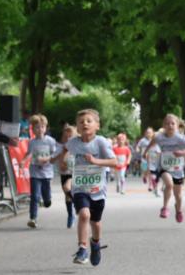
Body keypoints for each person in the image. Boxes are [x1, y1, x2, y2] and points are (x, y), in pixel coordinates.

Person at [56, 109, 117, 266]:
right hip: (80, 187)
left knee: (95, 223)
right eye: (81, 122)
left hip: (97, 189)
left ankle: (95, 244)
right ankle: (82, 249)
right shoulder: (73, 142)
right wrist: (63, 160)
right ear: (77, 127)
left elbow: (114, 162)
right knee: (84, 214)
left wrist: (96, 161)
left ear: (97, 125)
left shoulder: (100, 142)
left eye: (89, 121)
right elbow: (65, 148)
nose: (85, 124)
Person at [142, 114, 185, 223]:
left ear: (177, 126)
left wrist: (183, 153)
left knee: (178, 195)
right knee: (169, 184)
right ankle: (165, 207)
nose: (170, 125)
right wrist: (145, 152)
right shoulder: (159, 137)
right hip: (164, 166)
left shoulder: (180, 138)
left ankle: (178, 210)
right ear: (163, 126)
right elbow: (152, 142)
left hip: (177, 169)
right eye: (167, 123)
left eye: (172, 123)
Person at [23, 114, 59, 228]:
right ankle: (33, 218)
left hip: (47, 172)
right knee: (35, 196)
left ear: (46, 128)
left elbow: (55, 154)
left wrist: (46, 159)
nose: (40, 129)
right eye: (37, 127)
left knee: (46, 197)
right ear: (33, 129)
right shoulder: (32, 142)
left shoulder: (50, 141)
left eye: (42, 127)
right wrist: (23, 161)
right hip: (35, 171)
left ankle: (47, 200)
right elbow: (28, 153)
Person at [56, 123, 77, 228]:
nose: (68, 138)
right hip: (64, 174)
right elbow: (59, 162)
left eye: (71, 136)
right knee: (67, 197)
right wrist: (62, 164)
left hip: (75, 174)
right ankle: (70, 215)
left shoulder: (78, 148)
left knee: (67, 187)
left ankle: (78, 205)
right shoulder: (61, 148)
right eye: (66, 136)